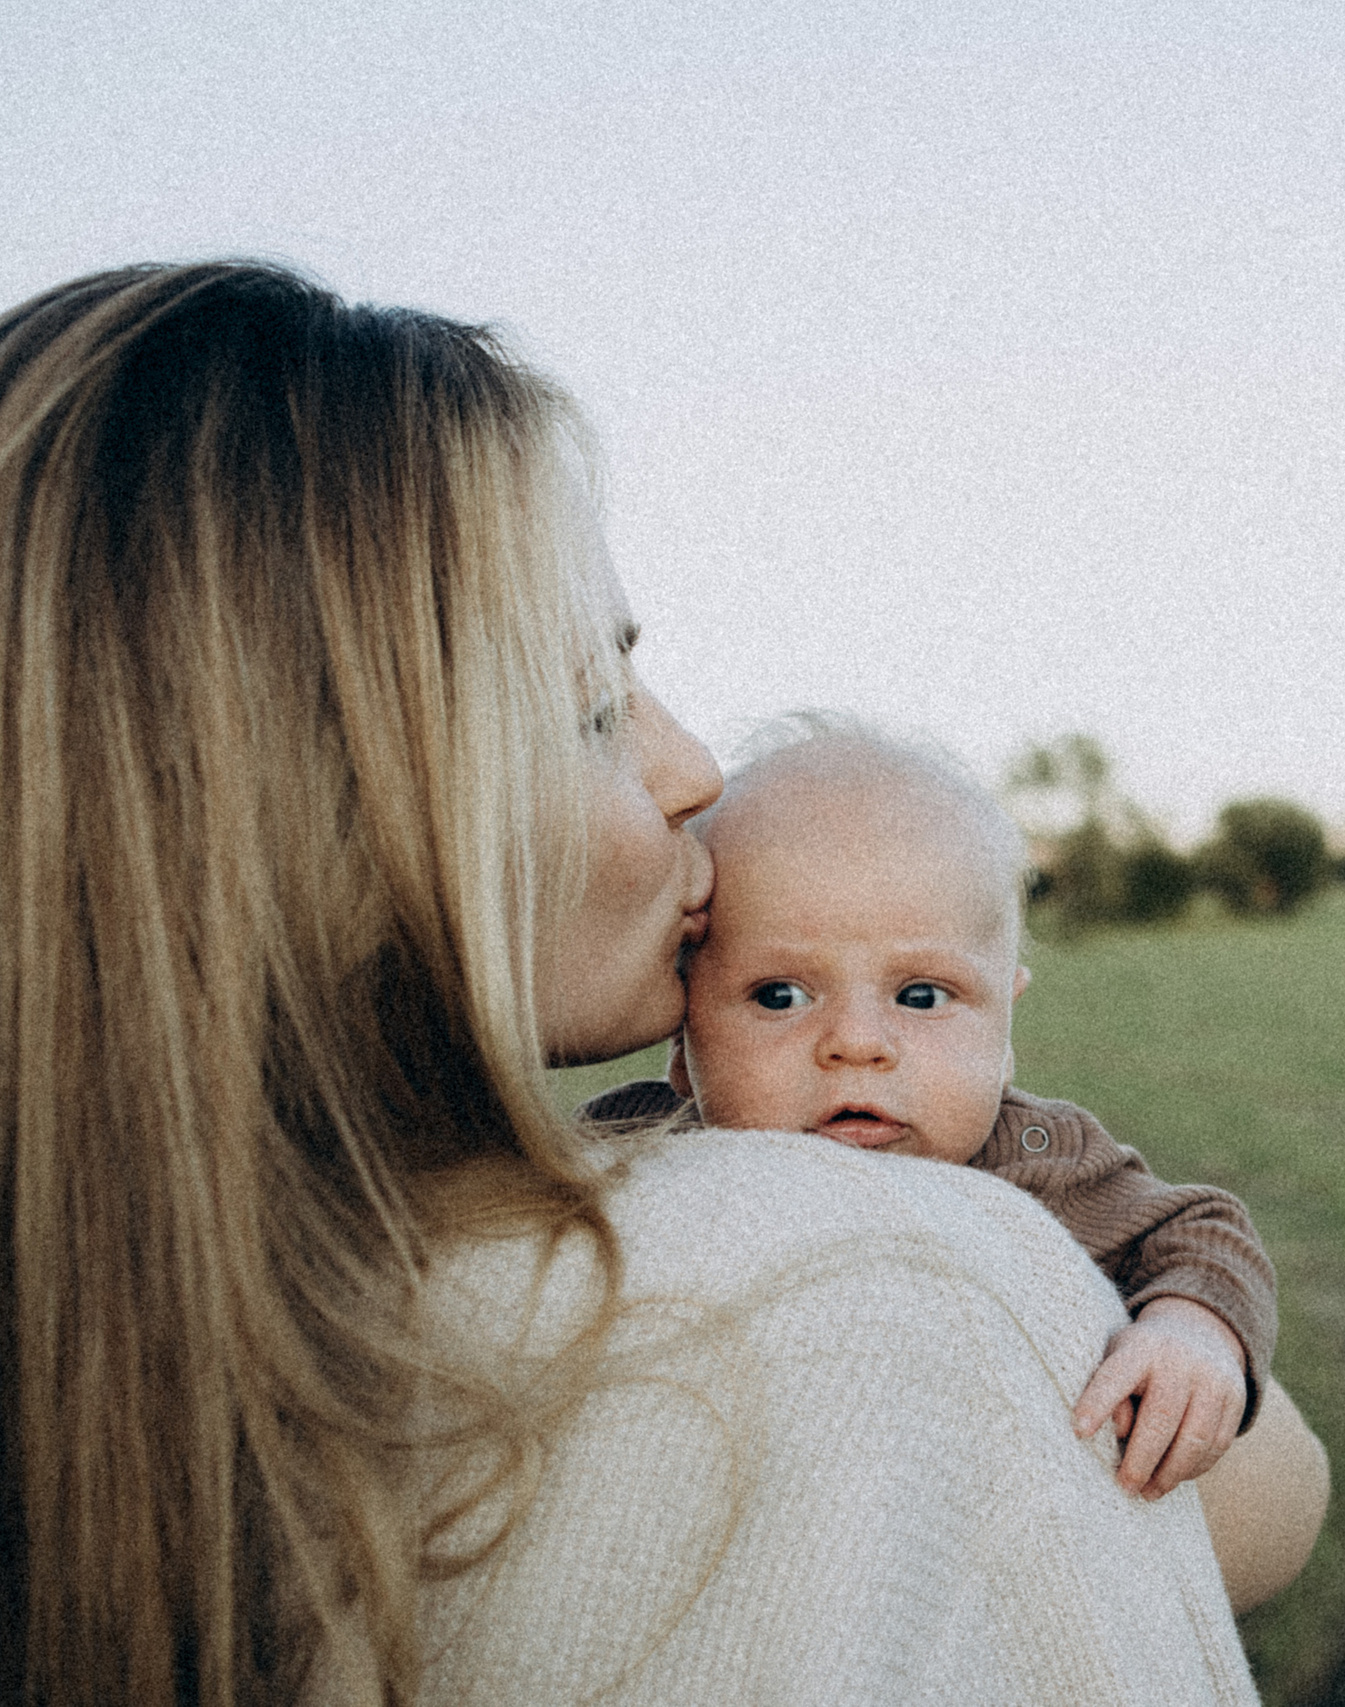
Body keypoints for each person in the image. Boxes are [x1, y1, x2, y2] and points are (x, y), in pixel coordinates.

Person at [0, 261, 1258, 1704]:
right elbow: (1259, 1505)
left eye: (922, 994)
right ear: (309, 814)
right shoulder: (838, 1276)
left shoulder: (127, 1358)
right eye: (596, 706)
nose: (695, 772)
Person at [580, 720, 1328, 1590]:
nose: (857, 1042)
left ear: (1004, 1030)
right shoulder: (642, 1151)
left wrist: (1193, 1333)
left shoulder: (1037, 1159)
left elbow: (1201, 1230)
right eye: (778, 994)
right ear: (684, 1036)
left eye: (922, 995)